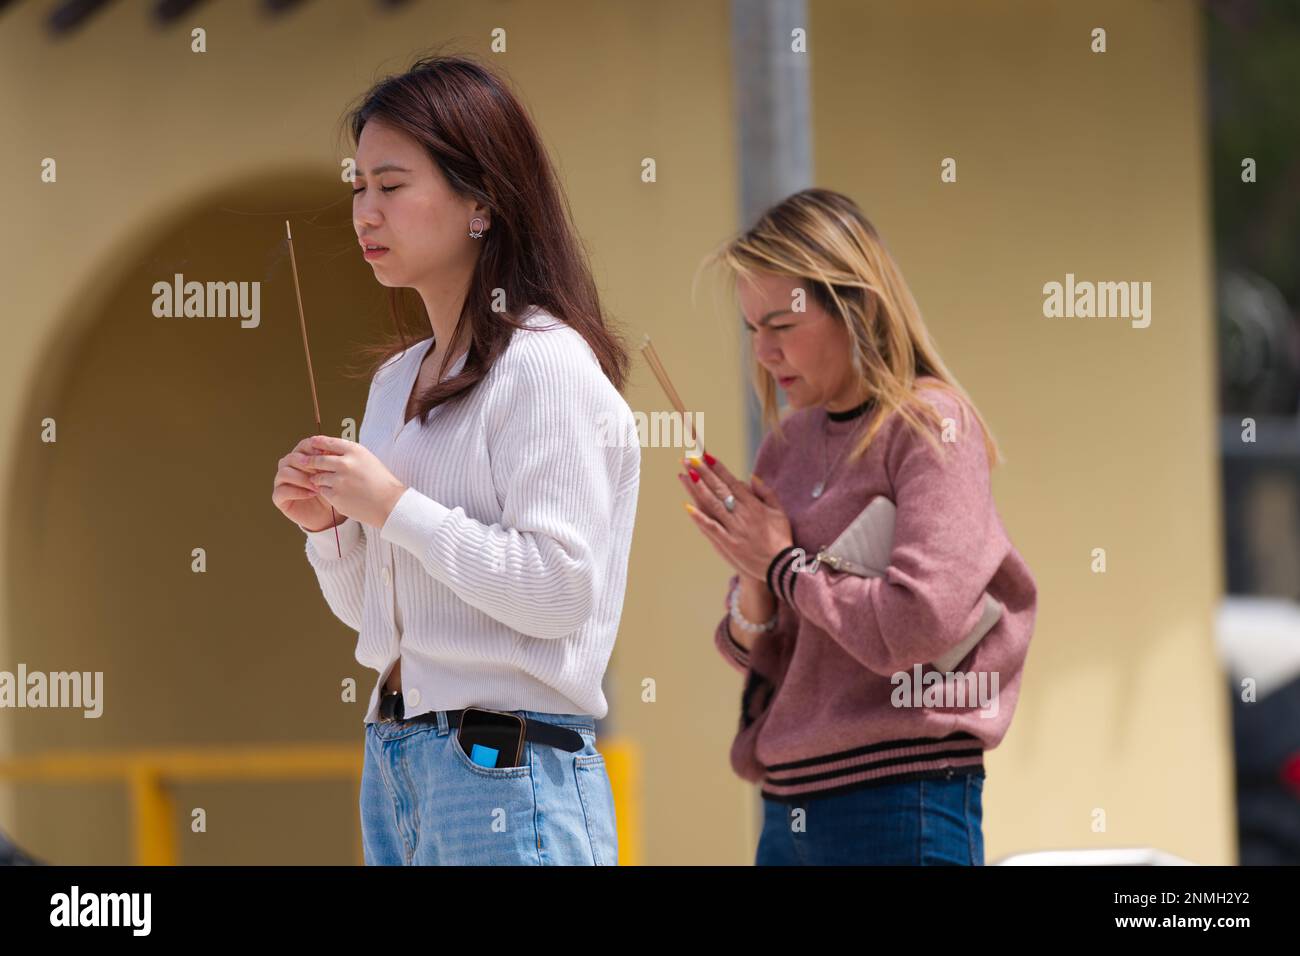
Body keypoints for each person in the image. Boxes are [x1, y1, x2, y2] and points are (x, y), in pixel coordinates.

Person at [270, 54, 640, 865]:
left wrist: (394, 506)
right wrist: (332, 529)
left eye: (392, 186)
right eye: (358, 186)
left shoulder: (544, 363)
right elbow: (382, 616)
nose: (366, 211)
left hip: (507, 766)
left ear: (480, 201)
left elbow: (557, 590)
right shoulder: (395, 382)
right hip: (398, 757)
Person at [682, 188, 1037, 865]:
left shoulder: (931, 424)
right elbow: (766, 653)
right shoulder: (785, 445)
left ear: (856, 306)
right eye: (752, 329)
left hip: (904, 799)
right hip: (786, 806)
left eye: (781, 326)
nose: (763, 352)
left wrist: (783, 565)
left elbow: (918, 623)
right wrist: (756, 579)